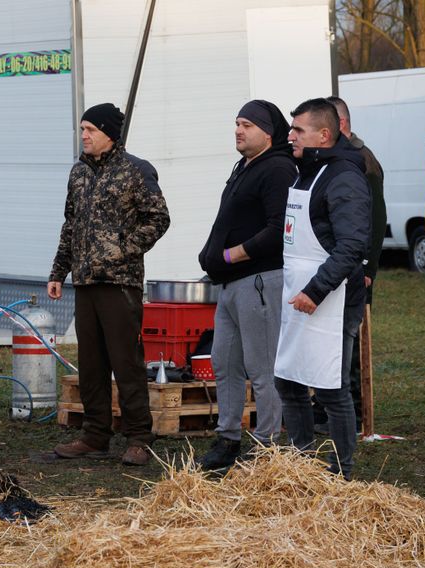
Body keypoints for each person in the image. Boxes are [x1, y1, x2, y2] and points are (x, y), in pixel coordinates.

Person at [43, 103, 171, 466]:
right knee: (91, 364)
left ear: (109, 134)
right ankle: (95, 435)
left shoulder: (136, 171)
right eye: (82, 129)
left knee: (125, 362)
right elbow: (70, 225)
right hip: (85, 282)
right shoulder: (79, 173)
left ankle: (139, 437)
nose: (83, 135)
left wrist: (121, 248)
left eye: (90, 130)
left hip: (120, 283)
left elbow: (158, 218)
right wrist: (58, 272)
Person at [195, 100, 297, 471]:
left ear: (268, 132)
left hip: (259, 281)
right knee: (224, 362)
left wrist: (230, 255)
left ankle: (267, 446)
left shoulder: (279, 168)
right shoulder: (245, 166)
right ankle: (228, 439)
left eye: (247, 125)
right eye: (237, 123)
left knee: (262, 368)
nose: (238, 130)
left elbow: (278, 229)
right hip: (230, 286)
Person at [275, 98, 371, 480]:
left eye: (298, 130)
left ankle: (341, 473)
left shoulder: (344, 176)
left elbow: (352, 246)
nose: (291, 136)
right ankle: (300, 466)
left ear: (324, 135)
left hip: (332, 299)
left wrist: (315, 291)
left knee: (331, 387)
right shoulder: (306, 172)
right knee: (288, 380)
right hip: (298, 295)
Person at [311, 96, 387, 435]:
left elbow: (375, 219)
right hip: (335, 265)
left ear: (339, 124)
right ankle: (326, 405)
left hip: (357, 267)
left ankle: (352, 410)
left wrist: (368, 268)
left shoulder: (363, 161)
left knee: (350, 341)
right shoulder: (332, 161)